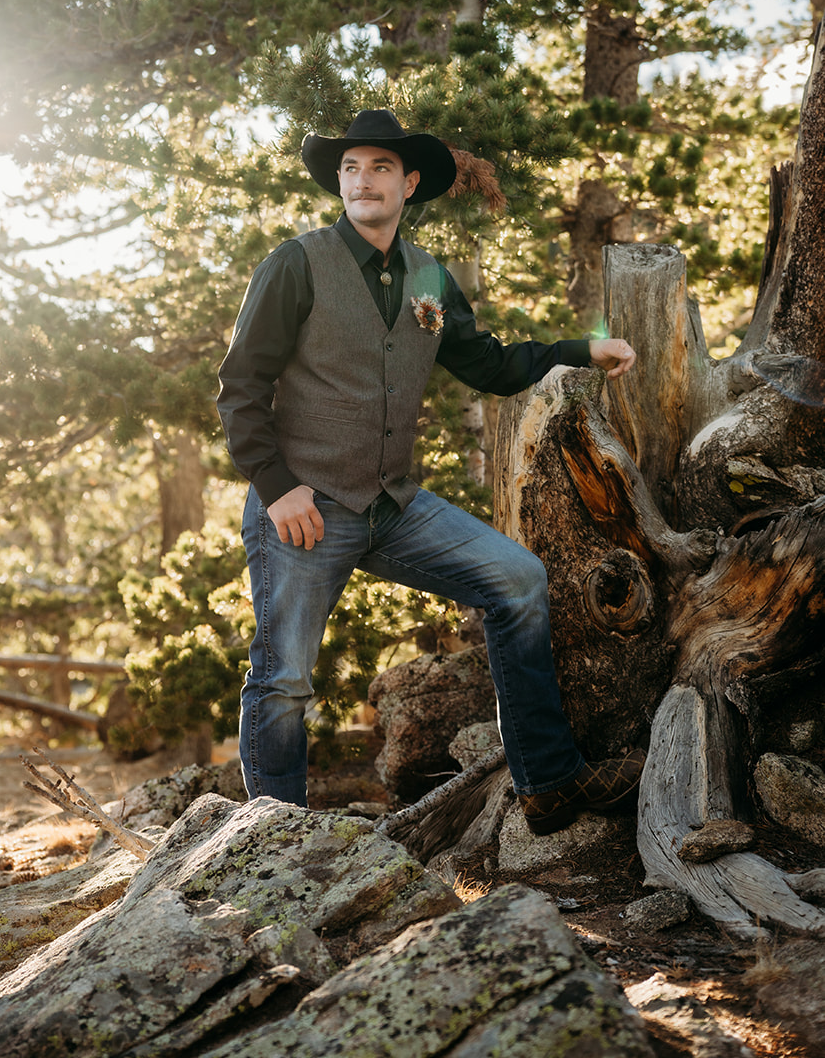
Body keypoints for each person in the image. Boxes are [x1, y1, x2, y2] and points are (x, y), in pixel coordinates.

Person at [217, 109, 645, 833]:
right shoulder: (296, 263)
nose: (362, 180)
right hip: (305, 506)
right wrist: (277, 488)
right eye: (350, 168)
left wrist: (579, 349)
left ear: (409, 182)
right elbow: (240, 387)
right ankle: (272, 839)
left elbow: (489, 364)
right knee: (283, 677)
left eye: (379, 167)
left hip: (392, 503)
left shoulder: (428, 276)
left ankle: (546, 782)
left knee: (517, 581)